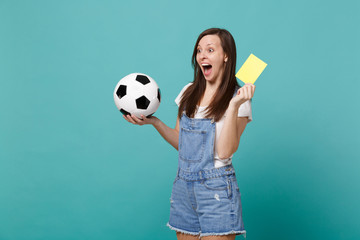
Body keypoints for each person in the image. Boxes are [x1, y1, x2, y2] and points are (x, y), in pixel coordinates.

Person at [123, 28, 255, 240]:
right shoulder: (188, 92)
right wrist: (154, 122)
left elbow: (224, 151)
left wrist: (233, 106)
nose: (202, 55)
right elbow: (182, 143)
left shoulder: (238, 98)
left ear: (226, 56)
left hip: (217, 190)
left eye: (210, 50)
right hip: (183, 187)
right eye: (199, 50)